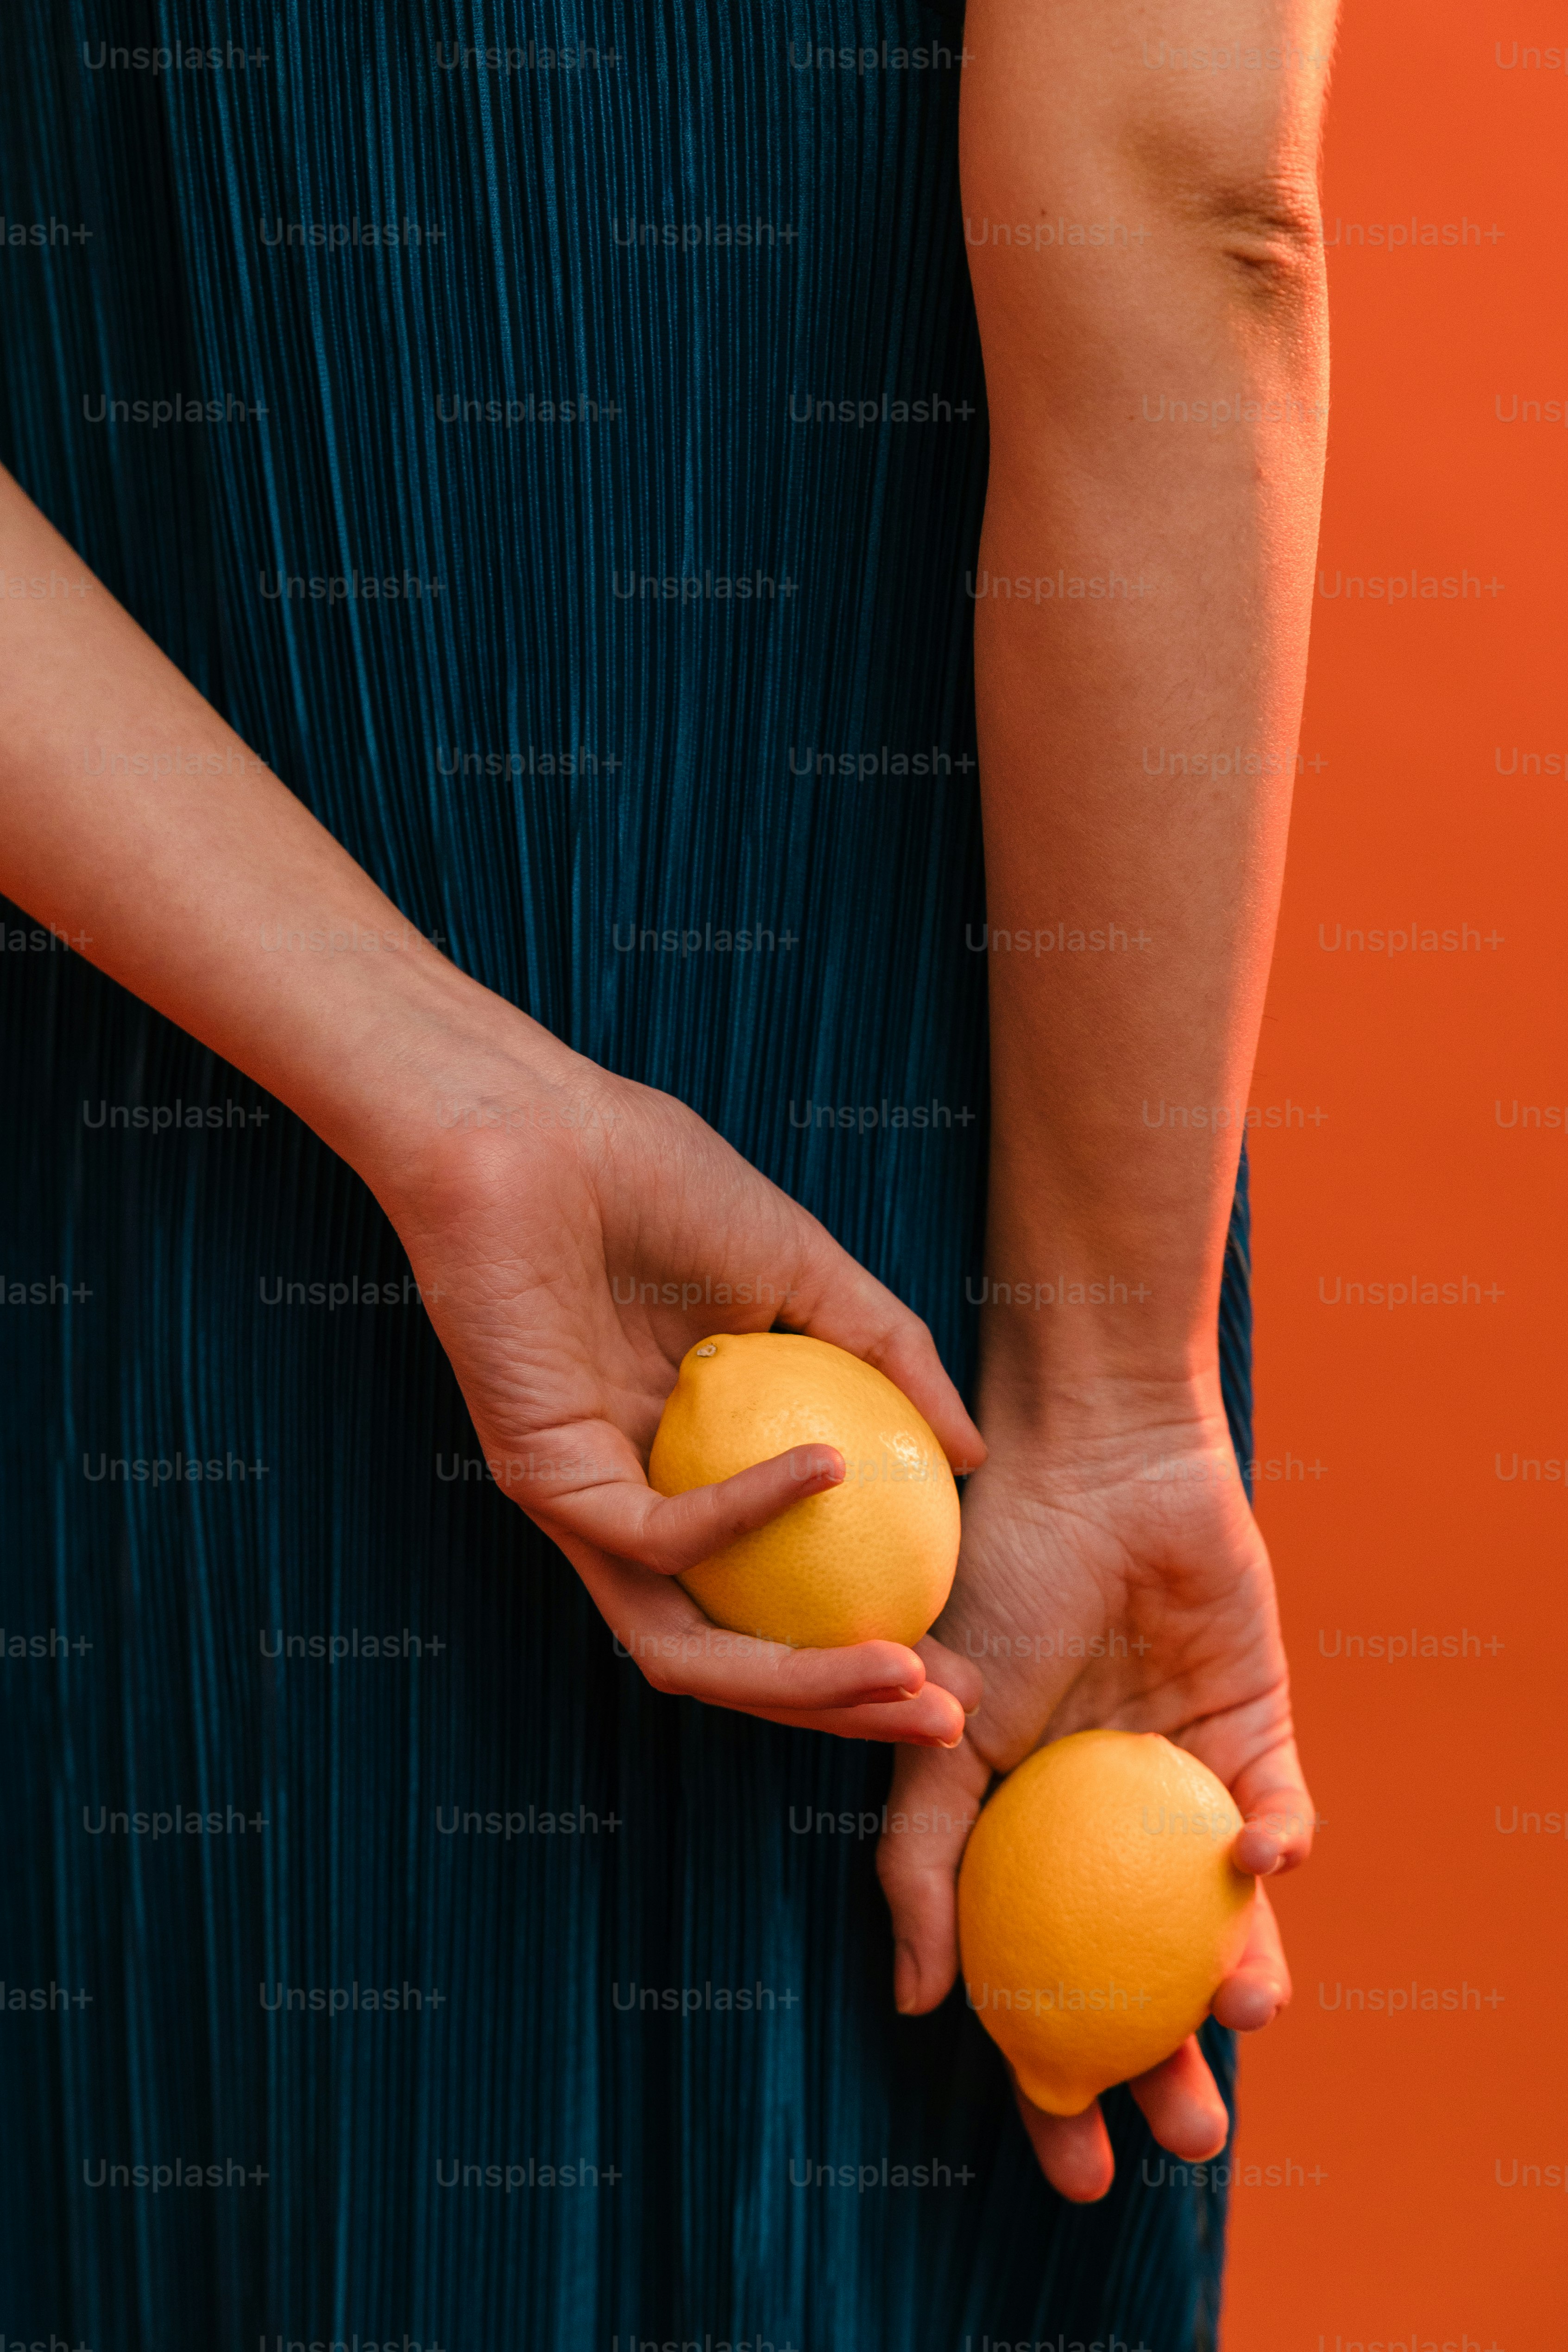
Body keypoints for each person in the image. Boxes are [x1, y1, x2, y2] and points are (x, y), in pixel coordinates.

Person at [0, 0, 1332, 2339]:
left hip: (145, 1036)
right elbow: (1179, 204)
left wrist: (445, 1092)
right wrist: (1115, 1376)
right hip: (911, 1192)